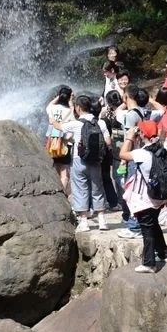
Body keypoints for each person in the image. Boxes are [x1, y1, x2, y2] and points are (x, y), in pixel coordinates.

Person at [120, 120, 167, 273]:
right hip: (159, 196)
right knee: (153, 224)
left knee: (147, 230)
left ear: (142, 134)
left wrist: (129, 137)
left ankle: (149, 263)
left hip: (145, 198)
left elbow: (122, 154)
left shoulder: (142, 153)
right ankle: (164, 253)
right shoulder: (161, 149)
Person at [56, 95, 112, 232]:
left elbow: (58, 127)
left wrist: (53, 119)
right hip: (96, 161)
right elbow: (108, 142)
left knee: (80, 189)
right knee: (97, 188)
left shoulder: (75, 124)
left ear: (78, 108)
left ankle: (84, 222)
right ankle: (102, 221)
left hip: (78, 160)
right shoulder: (101, 123)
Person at [46, 86, 75, 196]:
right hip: (65, 144)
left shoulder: (52, 108)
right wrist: (71, 102)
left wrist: (59, 97)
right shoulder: (69, 111)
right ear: (68, 97)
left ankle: (55, 194)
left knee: (56, 169)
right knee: (64, 173)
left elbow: (49, 106)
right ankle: (62, 196)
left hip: (51, 143)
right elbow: (73, 125)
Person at [100, 90, 125, 209]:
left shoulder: (111, 114)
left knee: (117, 174)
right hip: (125, 145)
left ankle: (121, 200)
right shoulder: (125, 110)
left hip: (116, 147)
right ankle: (122, 199)